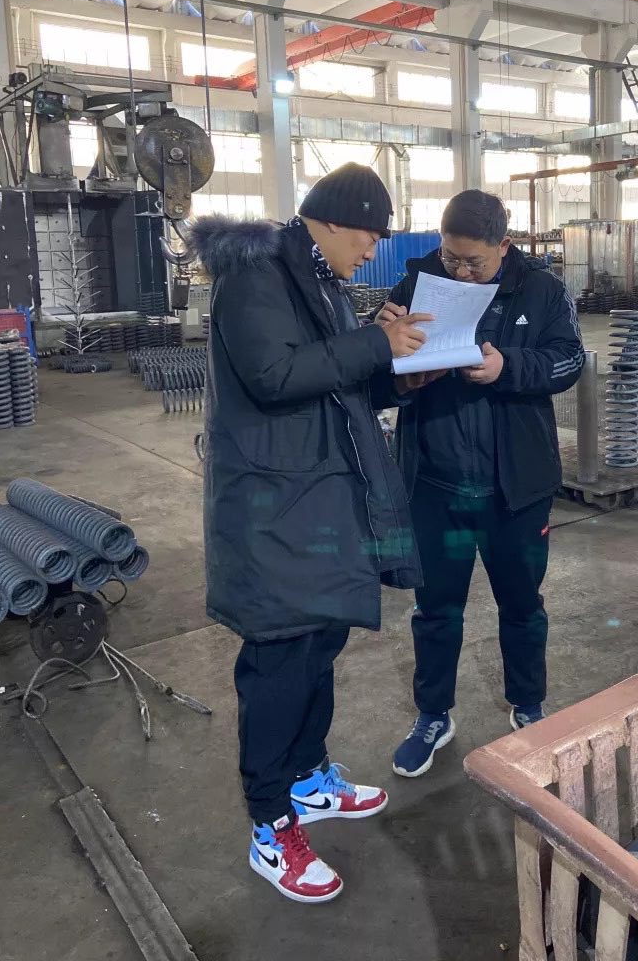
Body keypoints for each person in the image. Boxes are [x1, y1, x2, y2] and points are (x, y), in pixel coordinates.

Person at [190, 163, 431, 904]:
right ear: (331, 222)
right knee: (278, 662)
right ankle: (270, 823)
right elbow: (273, 375)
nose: (374, 250)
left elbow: (335, 378)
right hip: (272, 506)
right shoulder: (255, 276)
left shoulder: (317, 279)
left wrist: (399, 372)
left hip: (320, 496)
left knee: (320, 640)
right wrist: (376, 344)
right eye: (370, 235)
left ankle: (306, 777)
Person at [378, 190, 585, 779]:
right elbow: (379, 375)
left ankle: (528, 706)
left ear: (505, 245)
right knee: (435, 609)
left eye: (475, 262)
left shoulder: (540, 290)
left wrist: (506, 368)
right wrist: (385, 350)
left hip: (514, 492)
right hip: (435, 486)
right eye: (452, 259)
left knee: (521, 605)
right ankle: (432, 716)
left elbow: (569, 361)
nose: (461, 272)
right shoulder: (415, 285)